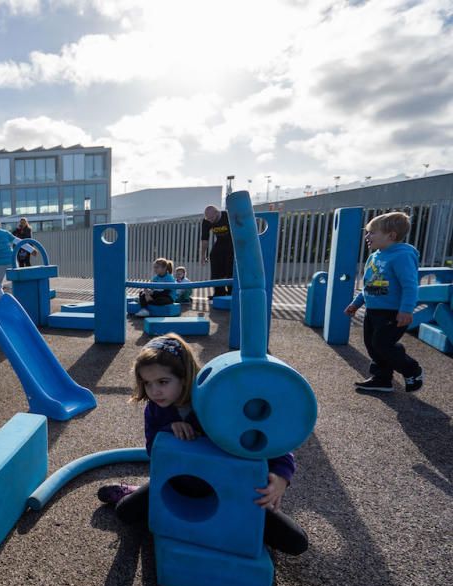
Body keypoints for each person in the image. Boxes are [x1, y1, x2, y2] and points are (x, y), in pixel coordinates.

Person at [97, 334, 308, 556]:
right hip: (178, 485)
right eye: (147, 383)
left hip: (233, 492)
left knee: (296, 542)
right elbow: (152, 449)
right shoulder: (155, 409)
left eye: (163, 382)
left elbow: (269, 441)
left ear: (185, 377)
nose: (154, 391)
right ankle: (133, 491)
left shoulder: (218, 402)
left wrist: (282, 476)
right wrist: (169, 429)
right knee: (125, 513)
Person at [344, 211, 424, 393]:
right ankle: (382, 379)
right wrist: (356, 303)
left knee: (382, 344)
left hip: (393, 312)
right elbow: (369, 285)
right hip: (374, 311)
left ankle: (412, 369)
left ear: (391, 236)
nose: (367, 236)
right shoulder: (375, 257)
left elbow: (410, 286)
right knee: (372, 345)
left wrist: (406, 310)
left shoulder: (402, 256)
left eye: (372, 232)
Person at [200, 205, 234, 297]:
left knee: (230, 269)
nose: (210, 221)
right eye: (208, 219)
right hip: (220, 243)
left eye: (211, 218)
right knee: (214, 257)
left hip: (233, 244)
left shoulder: (228, 216)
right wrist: (203, 255)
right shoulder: (206, 221)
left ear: (217, 212)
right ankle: (219, 292)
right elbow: (204, 240)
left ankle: (232, 292)